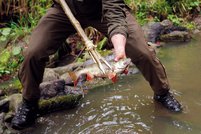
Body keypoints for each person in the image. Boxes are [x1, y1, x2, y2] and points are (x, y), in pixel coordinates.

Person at [11, 0, 182, 130]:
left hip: (104, 10)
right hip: (64, 9)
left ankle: (162, 93)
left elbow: (114, 11)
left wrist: (119, 46)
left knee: (143, 53)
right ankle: (29, 103)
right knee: (33, 53)